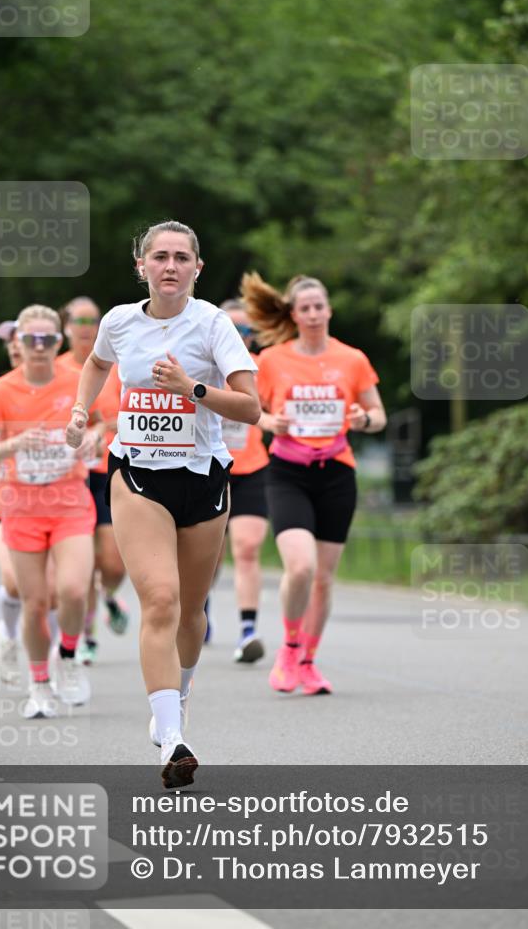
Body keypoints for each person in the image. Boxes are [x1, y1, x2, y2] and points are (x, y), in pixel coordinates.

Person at [65, 220, 260, 788]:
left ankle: (176, 694)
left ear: (197, 268)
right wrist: (82, 410)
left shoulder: (214, 325)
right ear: (141, 266)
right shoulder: (119, 322)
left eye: (181, 257)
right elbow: (98, 364)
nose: (170, 266)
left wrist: (191, 390)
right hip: (138, 475)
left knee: (192, 612)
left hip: (203, 478)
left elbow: (250, 408)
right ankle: (172, 739)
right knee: (160, 599)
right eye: (159, 257)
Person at [242, 272, 386, 696]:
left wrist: (364, 419)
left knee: (324, 578)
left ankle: (308, 661)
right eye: (304, 308)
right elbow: (253, 411)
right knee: (300, 567)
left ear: (329, 310)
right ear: (293, 314)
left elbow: (378, 413)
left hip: (338, 473)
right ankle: (288, 649)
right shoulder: (272, 360)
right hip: (288, 473)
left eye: (318, 306)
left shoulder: (352, 359)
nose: (312, 314)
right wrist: (271, 421)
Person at [0, 305, 100, 718]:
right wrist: (15, 445)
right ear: (19, 343)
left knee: (73, 590)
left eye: (49, 340)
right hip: (21, 507)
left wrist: (90, 439)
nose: (40, 347)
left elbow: (103, 423)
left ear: (58, 343)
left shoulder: (76, 382)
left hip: (69, 503)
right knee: (34, 601)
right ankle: (40, 684)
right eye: (32, 340)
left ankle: (67, 654)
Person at [58, 296, 128, 665]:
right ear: (66, 326)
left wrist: (101, 428)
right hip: (69, 477)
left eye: (92, 319)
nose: (86, 326)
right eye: (79, 319)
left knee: (114, 564)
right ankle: (86, 634)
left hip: (106, 471)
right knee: (82, 562)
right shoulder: (53, 370)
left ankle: (109, 595)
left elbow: (122, 415)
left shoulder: (114, 368)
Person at [217, 299, 269, 663]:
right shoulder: (202, 364)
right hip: (206, 469)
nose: (241, 336)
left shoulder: (266, 368)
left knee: (247, 548)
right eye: (233, 329)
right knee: (206, 556)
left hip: (251, 470)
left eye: (247, 331)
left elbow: (276, 411)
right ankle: (197, 609)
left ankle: (248, 630)